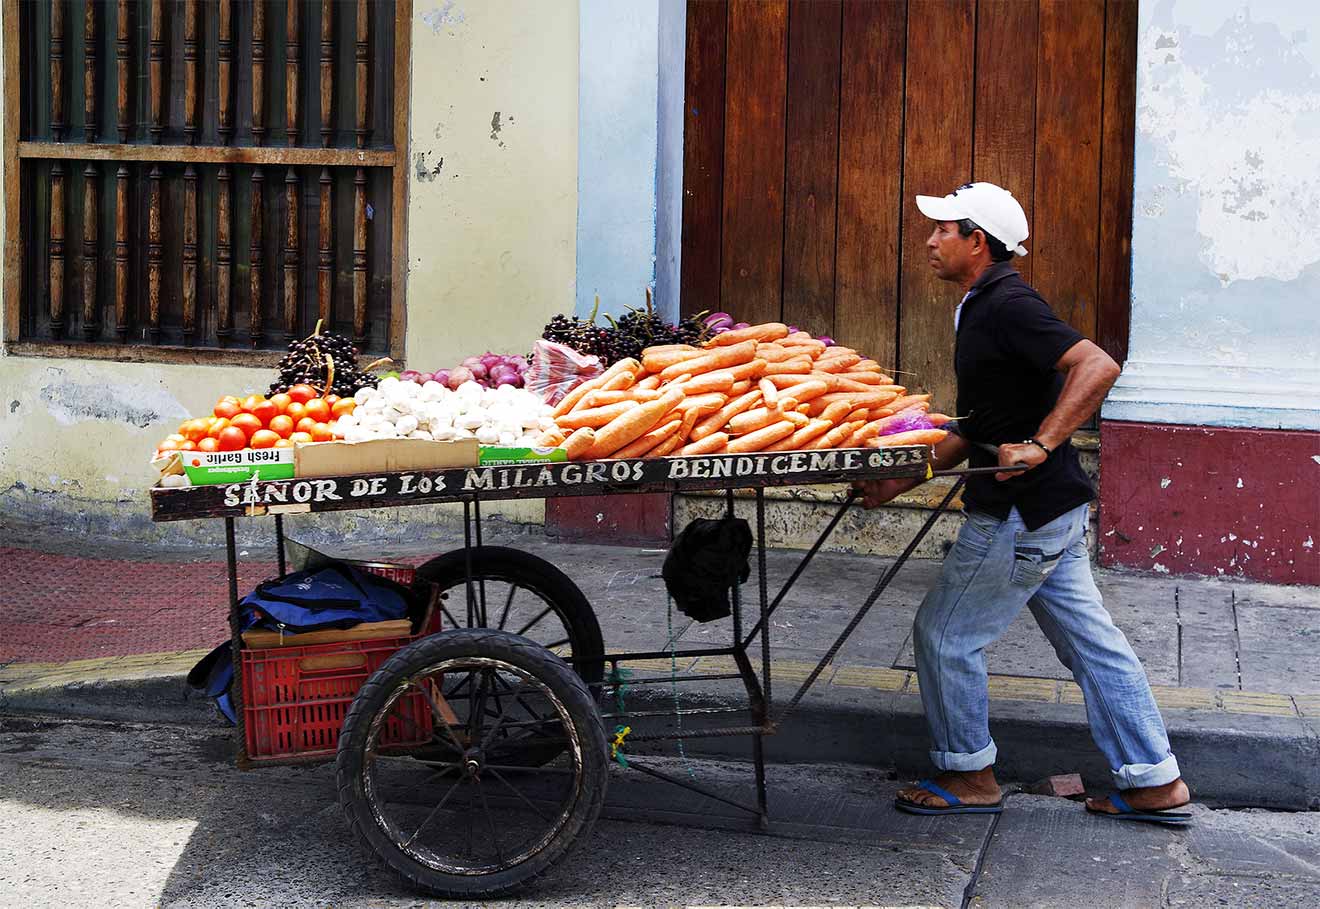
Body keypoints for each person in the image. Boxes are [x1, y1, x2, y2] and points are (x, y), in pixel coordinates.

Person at [854, 182, 1191, 824]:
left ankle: (969, 774)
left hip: (1022, 513)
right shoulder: (979, 305)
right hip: (1051, 509)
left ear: (976, 242)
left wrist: (1041, 442)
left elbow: (1097, 364)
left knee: (946, 635)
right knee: (1093, 646)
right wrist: (905, 478)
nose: (929, 241)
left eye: (943, 230)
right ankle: (1154, 780)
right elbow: (977, 423)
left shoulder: (1007, 304)